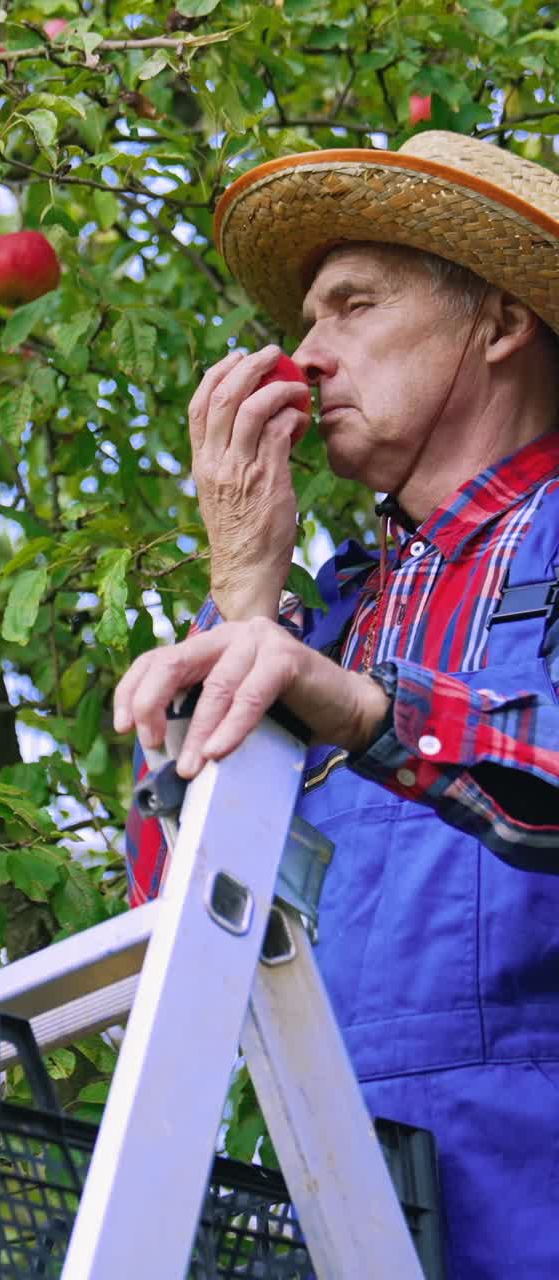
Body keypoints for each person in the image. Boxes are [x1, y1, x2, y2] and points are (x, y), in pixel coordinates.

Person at [114, 130, 559, 1279]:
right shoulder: (333, 618)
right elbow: (176, 929)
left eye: (350, 306)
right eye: (304, 319)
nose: (301, 357)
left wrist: (366, 712)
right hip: (340, 1208)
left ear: (498, 323)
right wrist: (244, 592)